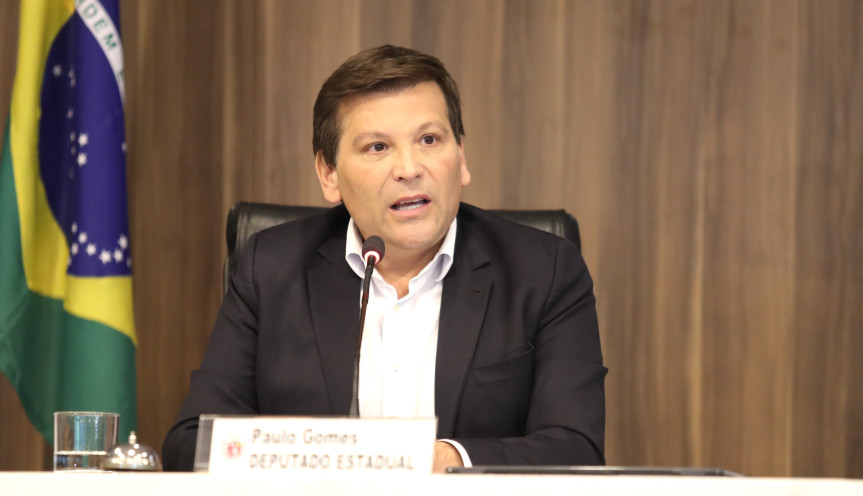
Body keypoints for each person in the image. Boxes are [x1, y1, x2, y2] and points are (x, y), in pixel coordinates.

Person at [162, 45, 606, 472]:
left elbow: (576, 449)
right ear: (329, 174)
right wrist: (325, 456)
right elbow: (190, 443)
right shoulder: (271, 268)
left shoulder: (543, 271)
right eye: (377, 147)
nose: (409, 169)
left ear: (461, 156)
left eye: (429, 139)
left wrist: (442, 460)